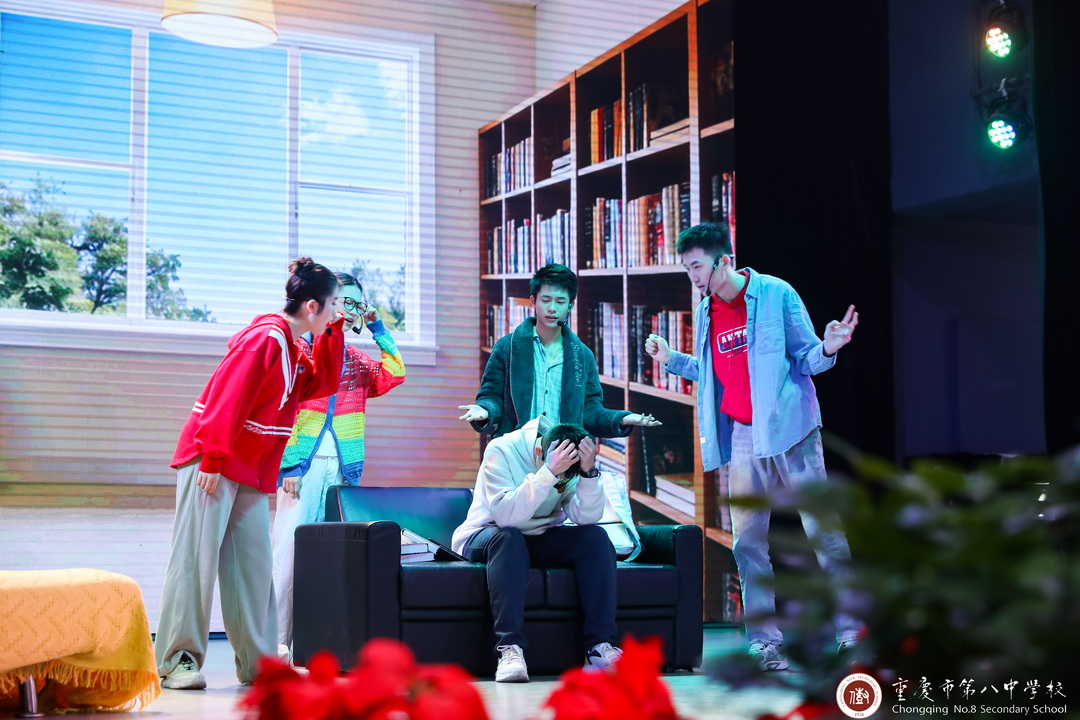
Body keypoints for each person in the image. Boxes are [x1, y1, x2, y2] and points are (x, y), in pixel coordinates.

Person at [644, 222, 862, 671]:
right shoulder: (706, 311)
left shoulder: (776, 293)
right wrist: (671, 359)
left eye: (698, 266)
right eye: (687, 269)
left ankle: (853, 633)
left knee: (823, 532)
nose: (693, 276)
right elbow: (711, 370)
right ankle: (765, 644)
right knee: (747, 542)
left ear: (724, 261)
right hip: (743, 434)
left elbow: (808, 358)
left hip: (791, 429)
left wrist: (829, 346)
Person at [155, 258, 345, 690]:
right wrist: (212, 458)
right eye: (332, 305)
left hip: (249, 470)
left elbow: (321, 385)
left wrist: (333, 334)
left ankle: (260, 664)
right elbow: (227, 396)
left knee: (254, 568)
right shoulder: (265, 339)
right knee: (195, 561)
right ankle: (177, 661)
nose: (336, 311)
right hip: (213, 461)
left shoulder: (294, 347)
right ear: (312, 305)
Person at [270, 272, 406, 657]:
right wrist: (290, 466)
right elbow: (282, 408)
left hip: (343, 471)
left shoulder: (355, 359)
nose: (347, 309)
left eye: (355, 303)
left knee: (332, 558)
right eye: (341, 300)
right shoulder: (301, 350)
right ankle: (275, 644)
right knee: (289, 554)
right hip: (304, 470)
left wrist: (379, 328)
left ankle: (320, 647)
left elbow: (394, 373)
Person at [451, 417, 623, 682]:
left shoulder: (569, 455)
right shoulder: (501, 449)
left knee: (595, 538)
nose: (562, 480)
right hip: (487, 534)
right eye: (560, 473)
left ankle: (599, 647)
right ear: (540, 451)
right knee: (509, 538)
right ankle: (509, 649)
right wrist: (549, 473)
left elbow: (585, 517)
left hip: (539, 537)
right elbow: (506, 516)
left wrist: (588, 473)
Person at [458, 263, 661, 437]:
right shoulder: (507, 347)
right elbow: (492, 395)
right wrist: (485, 410)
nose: (552, 308)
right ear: (533, 301)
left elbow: (590, 411)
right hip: (515, 450)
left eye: (560, 302)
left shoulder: (582, 356)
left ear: (570, 305)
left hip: (562, 455)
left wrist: (622, 418)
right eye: (546, 300)